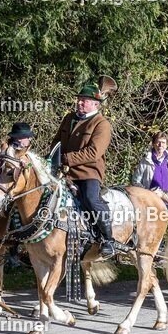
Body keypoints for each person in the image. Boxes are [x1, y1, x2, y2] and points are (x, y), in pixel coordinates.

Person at [52, 77, 118, 258]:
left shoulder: (102, 124)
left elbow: (93, 152)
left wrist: (66, 159)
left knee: (90, 199)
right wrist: (53, 158)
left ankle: (108, 240)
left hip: (88, 172)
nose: (79, 103)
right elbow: (56, 142)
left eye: (84, 100)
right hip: (64, 172)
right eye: (79, 99)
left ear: (96, 104)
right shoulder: (69, 118)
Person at [131, 131, 168, 205]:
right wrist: (148, 192)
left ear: (166, 145)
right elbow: (135, 181)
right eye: (158, 142)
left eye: (163, 142)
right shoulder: (146, 161)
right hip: (150, 202)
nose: (160, 145)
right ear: (153, 144)